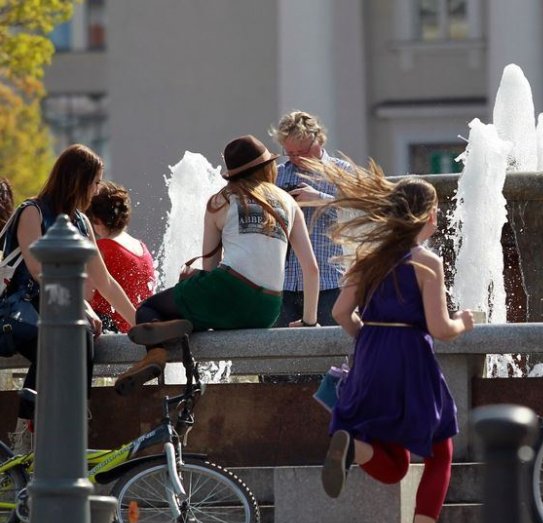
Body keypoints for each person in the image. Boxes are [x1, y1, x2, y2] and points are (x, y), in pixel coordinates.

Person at [317, 160, 474, 523]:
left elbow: (339, 312)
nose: (439, 215)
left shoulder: (369, 257)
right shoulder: (426, 263)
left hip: (371, 354)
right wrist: (465, 324)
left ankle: (354, 446)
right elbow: (440, 329)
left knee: (396, 464)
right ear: (426, 215)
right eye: (436, 208)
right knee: (441, 450)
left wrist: (369, 341)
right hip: (411, 360)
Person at [114, 135, 320, 393]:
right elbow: (311, 269)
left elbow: (210, 269)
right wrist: (309, 323)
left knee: (147, 309)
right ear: (268, 167)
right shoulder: (289, 202)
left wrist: (192, 278)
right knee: (201, 309)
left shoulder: (220, 200)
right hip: (267, 309)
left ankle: (156, 354)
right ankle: (178, 329)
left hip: (228, 293)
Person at [2, 145, 137, 427]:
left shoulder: (81, 222)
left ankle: (74, 413)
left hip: (54, 307)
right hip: (18, 309)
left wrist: (139, 324)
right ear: (79, 180)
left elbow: (105, 282)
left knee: (83, 335)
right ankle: (27, 427)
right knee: (55, 341)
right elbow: (40, 271)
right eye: (96, 182)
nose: (98, 190)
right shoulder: (32, 212)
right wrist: (82, 305)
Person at [270, 111, 352, 328]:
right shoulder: (277, 175)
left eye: (303, 151)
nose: (297, 158)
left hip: (329, 282)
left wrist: (320, 199)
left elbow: (362, 212)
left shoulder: (342, 171)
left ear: (319, 139)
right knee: (280, 357)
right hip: (284, 283)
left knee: (333, 353)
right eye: (291, 153)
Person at [86, 180, 157, 333]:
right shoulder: (141, 247)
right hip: (135, 326)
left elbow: (86, 293)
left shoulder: (102, 248)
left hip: (111, 330)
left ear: (97, 221)